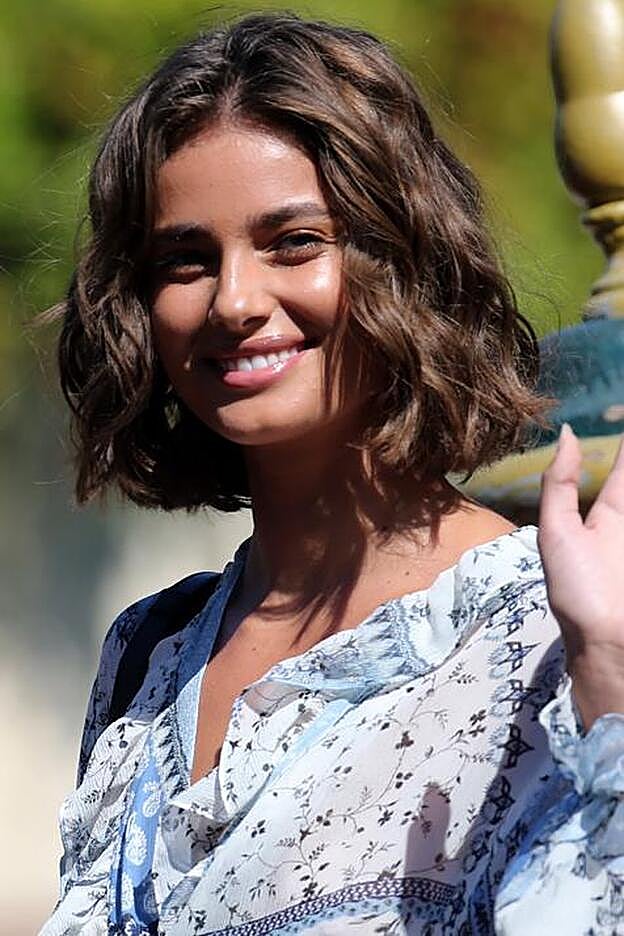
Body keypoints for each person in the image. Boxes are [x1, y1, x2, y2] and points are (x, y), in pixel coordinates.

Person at [41, 12, 624, 936]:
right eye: (184, 260)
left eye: (295, 242)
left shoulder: (545, 635)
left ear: (403, 258)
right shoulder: (148, 653)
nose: (233, 300)